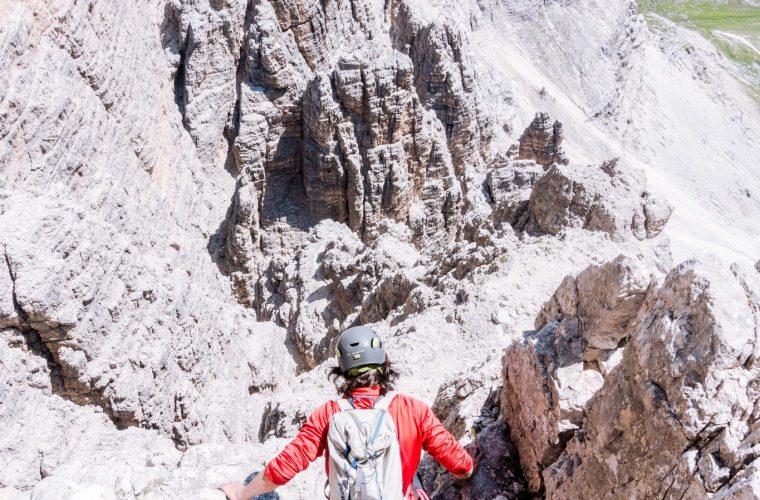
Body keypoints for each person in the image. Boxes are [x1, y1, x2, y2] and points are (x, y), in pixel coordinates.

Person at [220, 325, 483, 500]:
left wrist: (243, 492)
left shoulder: (328, 414)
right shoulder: (411, 409)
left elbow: (283, 468)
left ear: (341, 371)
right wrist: (469, 465)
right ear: (383, 364)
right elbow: (458, 464)